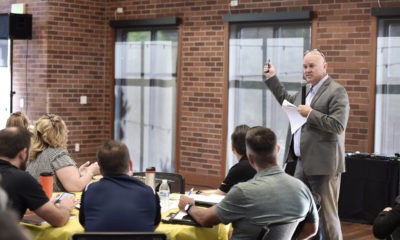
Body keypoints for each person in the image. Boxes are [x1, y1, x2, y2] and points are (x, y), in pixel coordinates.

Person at [263, 49, 350, 240]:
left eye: (312, 66)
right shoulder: (305, 90)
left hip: (324, 166)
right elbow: (287, 102)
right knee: (296, 211)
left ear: (324, 67)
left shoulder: (337, 91)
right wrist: (272, 78)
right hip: (301, 162)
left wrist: (311, 114)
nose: (307, 70)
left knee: (327, 217)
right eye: (305, 66)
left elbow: (338, 125)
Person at [178, 126, 318, 240]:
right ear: (278, 150)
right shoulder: (302, 188)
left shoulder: (242, 192)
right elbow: (311, 230)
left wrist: (188, 206)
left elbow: (205, 219)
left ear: (250, 158)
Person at [79, 140, 161, 232]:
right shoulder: (149, 192)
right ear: (130, 164)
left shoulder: (89, 191)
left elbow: (84, 224)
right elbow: (154, 225)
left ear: (100, 170)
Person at [0, 127, 75, 227]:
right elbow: (59, 220)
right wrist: (65, 207)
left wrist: (41, 202)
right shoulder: (21, 179)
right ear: (23, 154)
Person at [27, 113, 99, 192]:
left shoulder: (36, 153)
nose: (68, 132)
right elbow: (77, 187)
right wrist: (91, 172)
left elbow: (60, 175)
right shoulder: (57, 154)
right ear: (58, 134)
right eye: (65, 129)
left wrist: (78, 172)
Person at [213, 124, 256, 195]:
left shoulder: (238, 169)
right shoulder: (259, 164)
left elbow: (218, 195)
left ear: (232, 147)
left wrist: (198, 195)